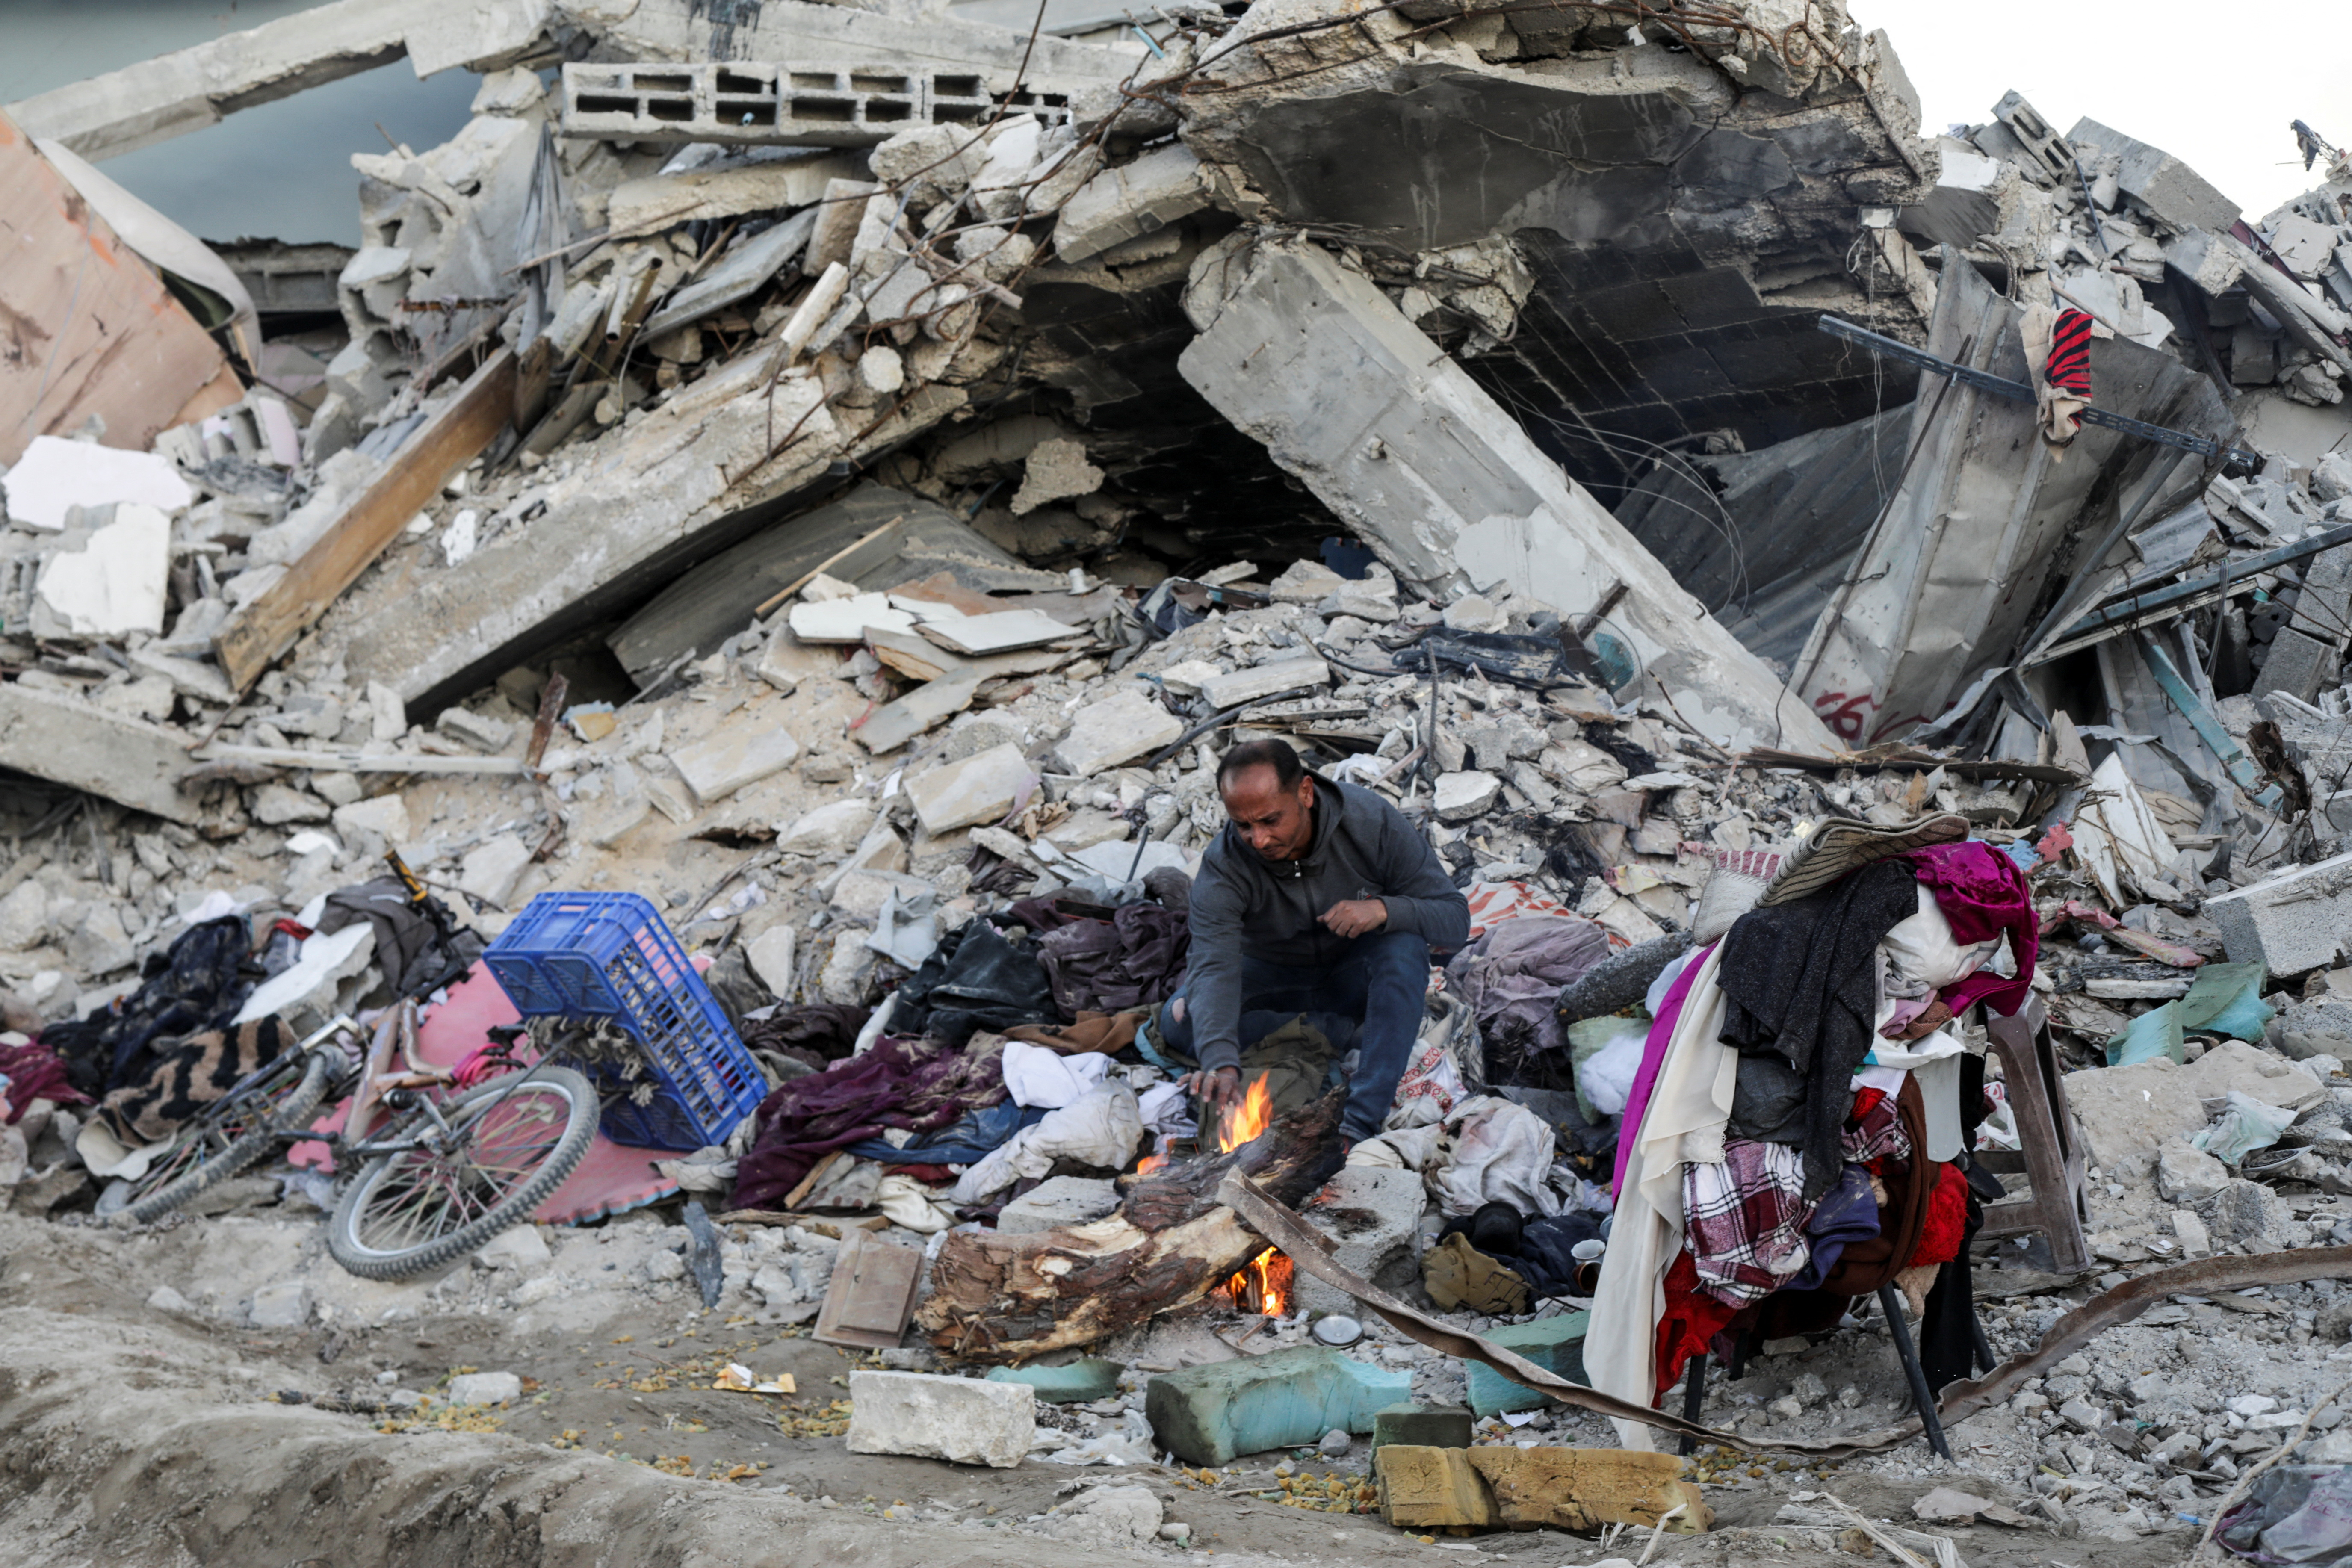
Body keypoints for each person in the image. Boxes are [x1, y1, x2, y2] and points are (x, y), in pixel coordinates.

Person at [1156, 738, 1469, 1146]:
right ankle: (1340, 1034)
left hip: (1352, 978)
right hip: (1275, 980)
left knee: (1405, 947)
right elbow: (1214, 963)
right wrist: (1221, 1062)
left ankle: (1358, 1123)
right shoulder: (1225, 863)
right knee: (1178, 1021)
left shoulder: (1370, 821)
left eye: (1271, 820)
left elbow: (1455, 921)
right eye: (1244, 825)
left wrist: (1385, 910)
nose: (1260, 840)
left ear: (1305, 792)